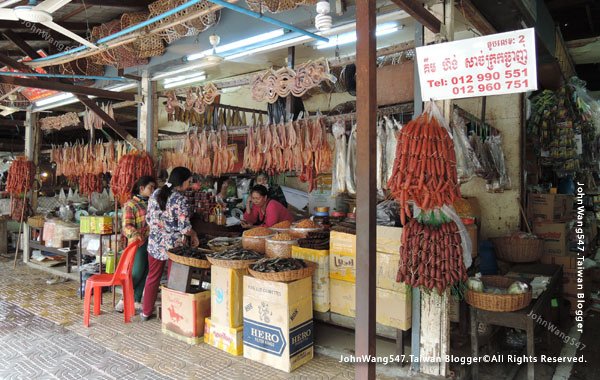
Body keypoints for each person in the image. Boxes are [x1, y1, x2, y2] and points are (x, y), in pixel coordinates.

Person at [141, 167, 200, 321]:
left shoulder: (155, 194)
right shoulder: (180, 200)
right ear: (183, 182)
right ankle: (172, 315)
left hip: (154, 243)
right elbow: (185, 228)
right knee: (174, 280)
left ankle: (145, 312)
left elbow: (148, 218)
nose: (190, 184)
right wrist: (194, 234)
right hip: (174, 247)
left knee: (153, 277)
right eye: (189, 181)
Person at [116, 176, 156, 313]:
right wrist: (135, 235)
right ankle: (123, 299)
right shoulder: (131, 204)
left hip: (151, 242)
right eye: (151, 187)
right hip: (138, 243)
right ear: (141, 188)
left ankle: (137, 300)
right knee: (137, 272)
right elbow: (127, 225)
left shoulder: (152, 203)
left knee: (146, 271)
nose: (153, 190)